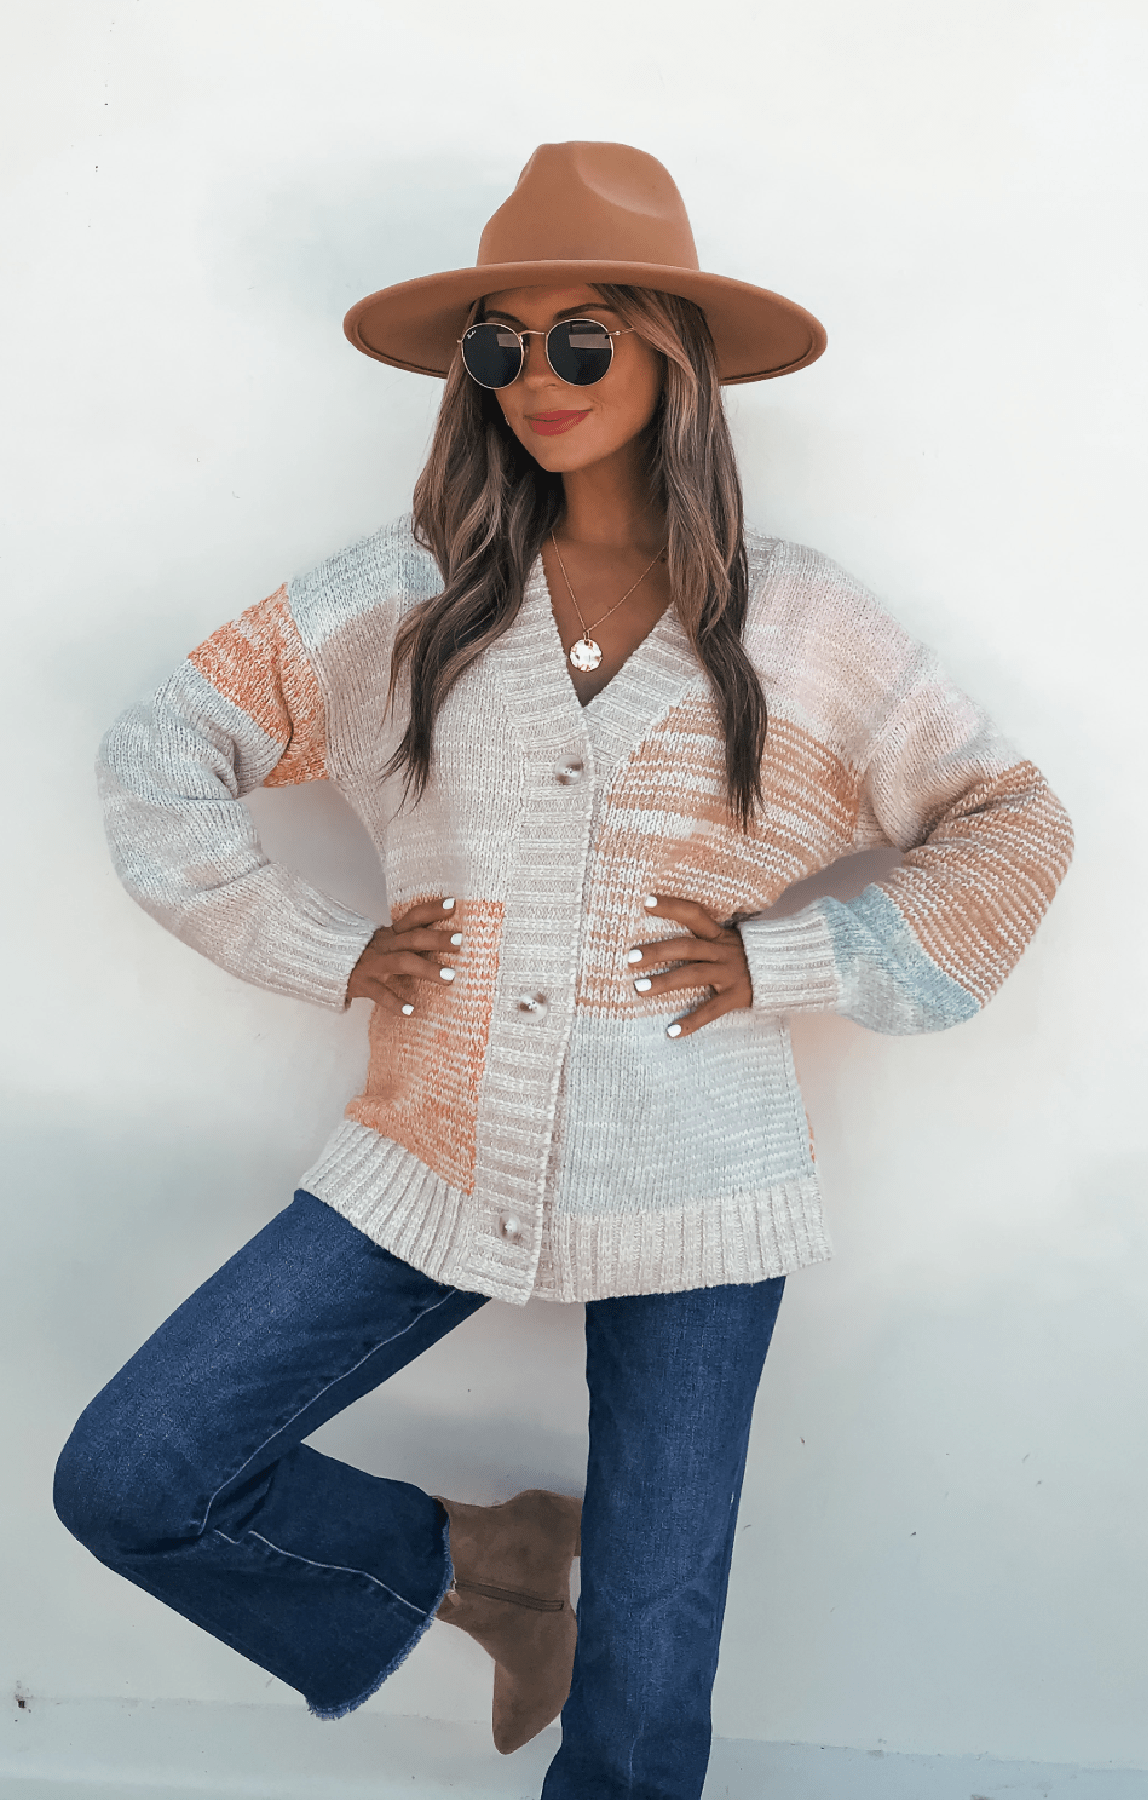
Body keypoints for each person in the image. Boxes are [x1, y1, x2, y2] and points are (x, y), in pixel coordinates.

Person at [53, 142, 1073, 1800]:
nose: (538, 378)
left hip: (702, 1188)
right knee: (136, 1473)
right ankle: (484, 1567)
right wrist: (323, 949)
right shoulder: (406, 600)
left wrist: (790, 957)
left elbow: (1012, 825)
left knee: (651, 1681)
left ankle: (563, 1620)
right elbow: (160, 752)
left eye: (582, 337)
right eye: (499, 346)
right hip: (429, 1146)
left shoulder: (796, 623)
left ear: (672, 350)